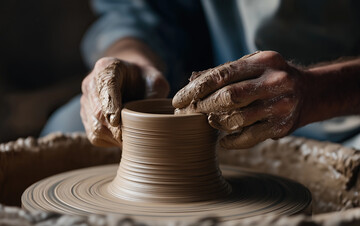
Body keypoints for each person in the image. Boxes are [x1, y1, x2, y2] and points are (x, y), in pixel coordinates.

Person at [42, 0, 360, 149]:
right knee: (71, 127)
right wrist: (131, 60)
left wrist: (318, 91)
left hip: (346, 114)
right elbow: (135, 12)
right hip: (227, 109)